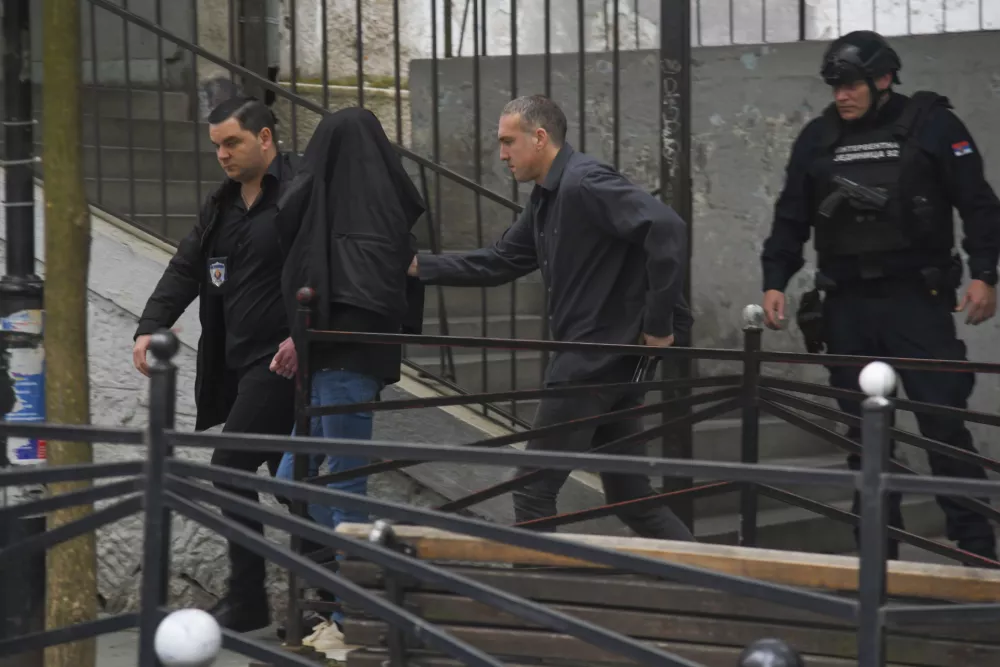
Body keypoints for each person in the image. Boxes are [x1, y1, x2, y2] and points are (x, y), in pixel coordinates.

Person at [409, 94, 695, 541]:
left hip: (588, 365)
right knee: (631, 498)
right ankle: (715, 588)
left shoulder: (584, 183)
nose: (502, 154)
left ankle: (543, 603)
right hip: (610, 367)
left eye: (509, 141)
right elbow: (499, 261)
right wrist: (417, 266)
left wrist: (659, 324)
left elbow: (666, 227)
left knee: (532, 491)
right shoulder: (546, 200)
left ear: (539, 138)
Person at [760, 31, 999, 560]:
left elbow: (978, 203)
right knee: (865, 439)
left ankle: (979, 554)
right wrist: (774, 279)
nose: (841, 95)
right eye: (834, 86)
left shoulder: (934, 125)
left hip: (918, 301)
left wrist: (986, 273)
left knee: (943, 425)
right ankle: (876, 557)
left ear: (884, 78)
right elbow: (791, 216)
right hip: (847, 306)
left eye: (850, 85)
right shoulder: (818, 139)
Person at [132, 96, 299, 631]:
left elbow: (324, 264)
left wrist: (303, 336)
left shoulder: (301, 192)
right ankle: (321, 602)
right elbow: (186, 267)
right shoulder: (221, 206)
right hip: (238, 361)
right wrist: (149, 326)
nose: (223, 155)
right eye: (217, 146)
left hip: (284, 361)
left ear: (266, 138)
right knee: (295, 483)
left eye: (233, 143)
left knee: (230, 470)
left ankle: (250, 599)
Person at [271, 107, 426, 637]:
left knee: (342, 489)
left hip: (345, 367)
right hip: (331, 365)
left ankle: (357, 612)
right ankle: (360, 598)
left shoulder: (346, 217)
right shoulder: (369, 214)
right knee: (299, 479)